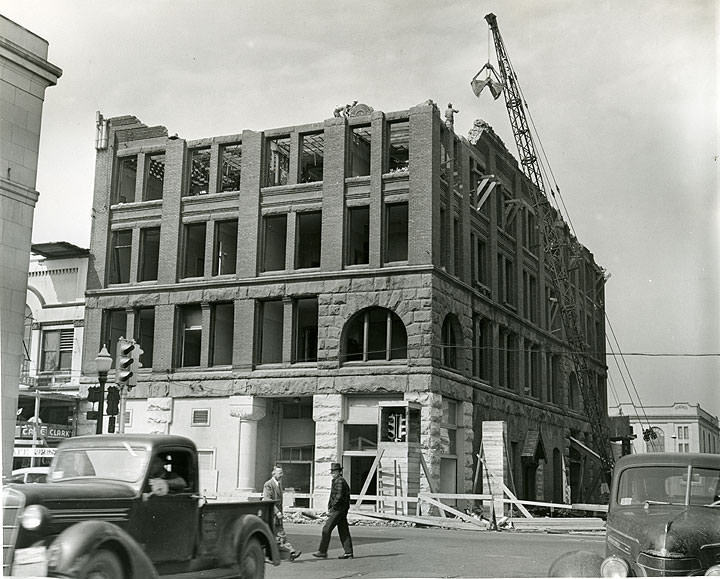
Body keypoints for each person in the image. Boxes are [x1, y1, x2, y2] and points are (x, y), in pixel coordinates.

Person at [313, 462, 354, 559]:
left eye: (334, 471)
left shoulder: (339, 481)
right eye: (332, 471)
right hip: (341, 509)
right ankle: (348, 553)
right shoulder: (337, 480)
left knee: (326, 529)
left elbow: (338, 497)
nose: (332, 473)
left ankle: (322, 551)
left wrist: (332, 509)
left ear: (339, 472)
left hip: (338, 509)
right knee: (343, 530)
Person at [262, 466, 301, 561]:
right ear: (274, 473)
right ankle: (291, 552)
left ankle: (287, 554)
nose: (281, 475)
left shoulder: (279, 484)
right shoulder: (268, 484)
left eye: (282, 473)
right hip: (272, 515)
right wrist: (277, 512)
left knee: (278, 535)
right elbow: (267, 499)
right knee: (279, 535)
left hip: (278, 515)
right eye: (280, 473)